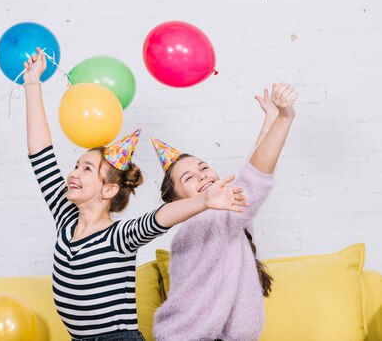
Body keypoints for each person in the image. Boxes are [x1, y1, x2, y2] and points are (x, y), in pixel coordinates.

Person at [24, 48, 249, 341]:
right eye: (76, 166)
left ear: (108, 189)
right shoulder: (64, 216)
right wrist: (32, 84)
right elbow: (40, 152)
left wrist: (205, 200)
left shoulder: (118, 237)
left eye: (87, 169)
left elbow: (158, 219)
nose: (74, 174)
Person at [152, 82, 298, 341]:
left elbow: (250, 172)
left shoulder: (224, 218)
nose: (202, 176)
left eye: (204, 167)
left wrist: (270, 119)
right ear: (178, 201)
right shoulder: (201, 224)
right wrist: (284, 120)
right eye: (189, 178)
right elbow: (253, 179)